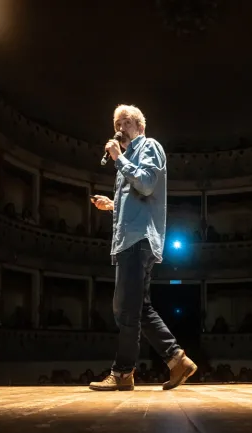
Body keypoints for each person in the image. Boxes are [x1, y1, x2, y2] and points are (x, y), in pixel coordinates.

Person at [89, 104, 197, 391]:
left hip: (139, 241)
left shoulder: (148, 146)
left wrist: (118, 158)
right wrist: (112, 205)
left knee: (126, 309)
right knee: (135, 307)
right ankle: (177, 360)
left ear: (139, 127)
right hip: (128, 240)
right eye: (116, 123)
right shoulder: (127, 158)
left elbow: (147, 185)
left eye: (125, 122)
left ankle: (123, 372)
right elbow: (137, 201)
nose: (119, 128)